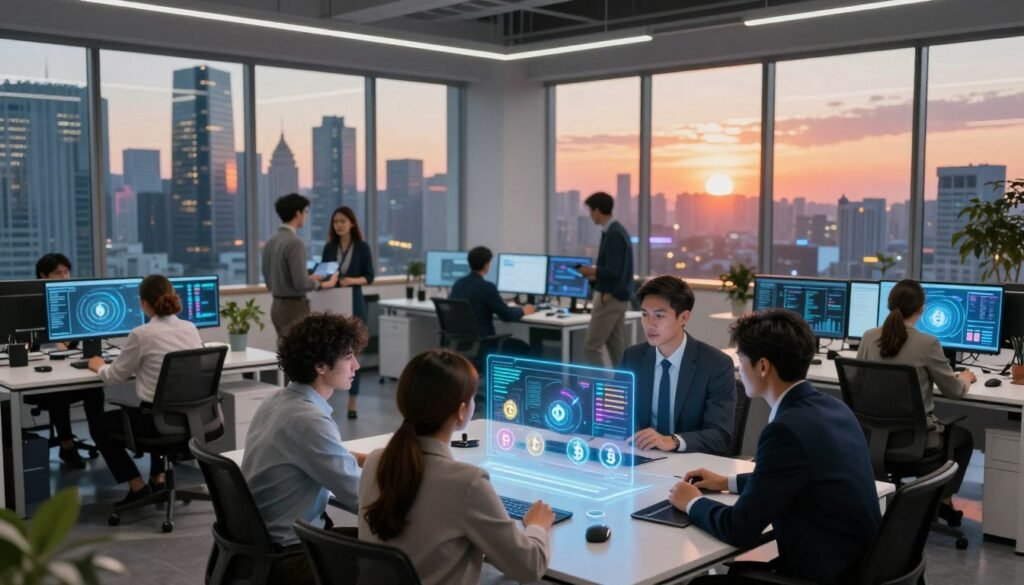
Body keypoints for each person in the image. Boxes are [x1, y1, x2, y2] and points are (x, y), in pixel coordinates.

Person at [672, 310, 881, 585]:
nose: (738, 368)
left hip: (825, 574)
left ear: (762, 366)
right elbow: (789, 478)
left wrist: (692, 502)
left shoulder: (785, 431)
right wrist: (726, 481)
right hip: (860, 566)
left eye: (741, 359)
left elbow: (738, 529)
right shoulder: (833, 407)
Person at [359, 349, 553, 585]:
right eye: (472, 398)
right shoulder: (467, 482)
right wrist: (537, 526)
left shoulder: (375, 463)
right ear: (462, 411)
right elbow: (530, 567)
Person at [241, 312, 367, 585]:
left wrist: (374, 461)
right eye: (348, 357)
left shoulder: (280, 400)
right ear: (321, 365)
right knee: (397, 550)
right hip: (292, 554)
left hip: (263, 545)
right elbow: (360, 496)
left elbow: (324, 457)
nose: (356, 365)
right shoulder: (308, 420)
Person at [857, 278, 975, 526]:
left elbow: (860, 384)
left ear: (889, 305)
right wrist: (965, 378)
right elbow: (953, 391)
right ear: (922, 308)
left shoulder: (868, 337)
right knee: (964, 438)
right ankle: (943, 501)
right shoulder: (927, 343)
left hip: (872, 439)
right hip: (914, 441)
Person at [87, 275, 204, 504]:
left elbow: (114, 377)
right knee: (153, 407)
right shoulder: (190, 328)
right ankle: (158, 478)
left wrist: (99, 366)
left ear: (143, 303)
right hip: (191, 419)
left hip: (156, 424)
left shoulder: (141, 334)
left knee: (98, 425)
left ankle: (137, 485)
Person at [620, 275, 736, 455]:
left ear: (683, 317)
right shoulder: (632, 357)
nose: (649, 324)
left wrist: (672, 441)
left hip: (690, 465)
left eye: (659, 315)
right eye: (644, 314)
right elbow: (620, 414)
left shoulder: (715, 364)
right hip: (642, 458)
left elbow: (720, 435)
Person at [31, 253, 94, 469]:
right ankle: (66, 445)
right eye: (59, 273)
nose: (65, 277)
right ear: (43, 276)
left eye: (67, 272)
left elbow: (76, 341)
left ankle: (102, 439)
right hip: (39, 376)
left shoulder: (73, 301)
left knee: (94, 389)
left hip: (70, 365)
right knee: (58, 391)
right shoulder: (32, 304)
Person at [320, 206, 375, 419]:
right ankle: (325, 398)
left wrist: (351, 280)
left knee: (353, 351)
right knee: (329, 350)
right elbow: (324, 273)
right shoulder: (329, 247)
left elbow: (369, 277)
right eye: (336, 222)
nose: (339, 225)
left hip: (354, 299)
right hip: (333, 299)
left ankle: (353, 400)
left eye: (343, 221)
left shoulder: (362, 247)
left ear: (351, 223)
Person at [262, 193, 338, 337]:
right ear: (298, 213)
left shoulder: (270, 241)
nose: (306, 216)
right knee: (300, 355)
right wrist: (322, 284)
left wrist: (309, 277)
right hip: (293, 308)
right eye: (305, 212)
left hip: (277, 306)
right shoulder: (295, 243)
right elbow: (300, 283)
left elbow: (268, 277)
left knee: (286, 352)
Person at [577, 192, 633, 366]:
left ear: (597, 210)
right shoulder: (615, 231)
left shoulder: (614, 234)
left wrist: (592, 271)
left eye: (590, 211)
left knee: (591, 346)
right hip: (618, 297)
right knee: (616, 346)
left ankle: (604, 386)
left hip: (610, 296)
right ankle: (622, 387)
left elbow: (614, 271)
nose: (590, 215)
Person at [450, 245, 535, 343]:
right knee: (522, 346)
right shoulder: (487, 287)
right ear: (486, 265)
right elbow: (507, 316)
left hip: (460, 343)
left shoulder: (458, 284)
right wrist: (523, 311)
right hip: (483, 342)